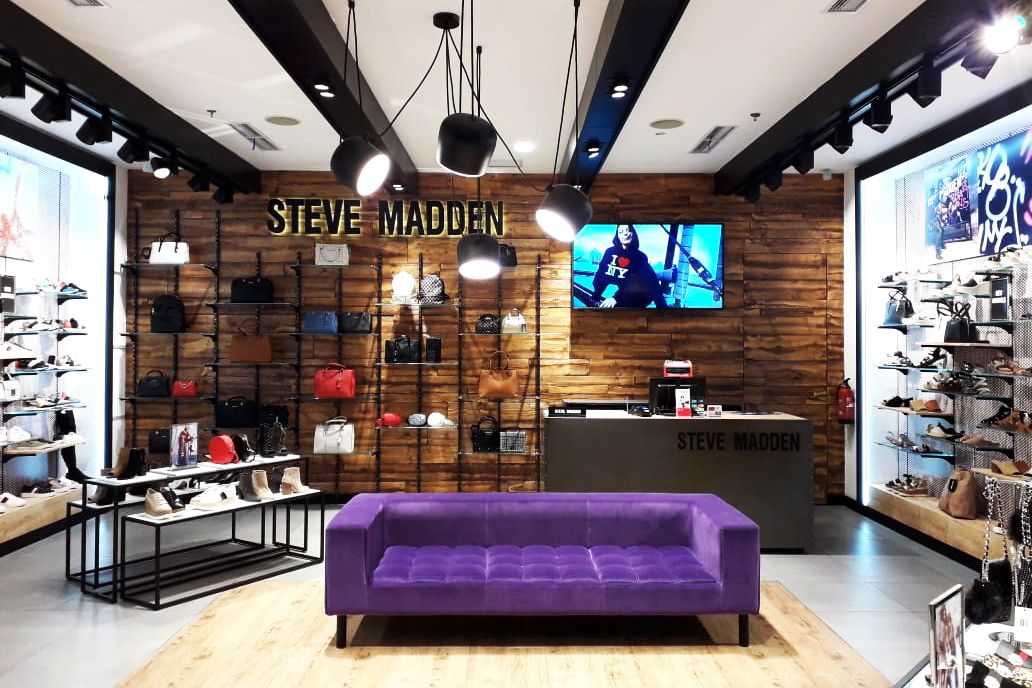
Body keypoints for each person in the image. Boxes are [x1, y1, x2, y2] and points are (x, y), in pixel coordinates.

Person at [590, 225, 668, 308]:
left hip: (639, 296)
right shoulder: (609, 252)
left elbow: (650, 283)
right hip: (622, 293)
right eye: (621, 232)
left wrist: (615, 298)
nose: (625, 234)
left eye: (628, 230)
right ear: (617, 236)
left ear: (633, 234)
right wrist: (596, 295)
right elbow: (601, 276)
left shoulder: (640, 257)